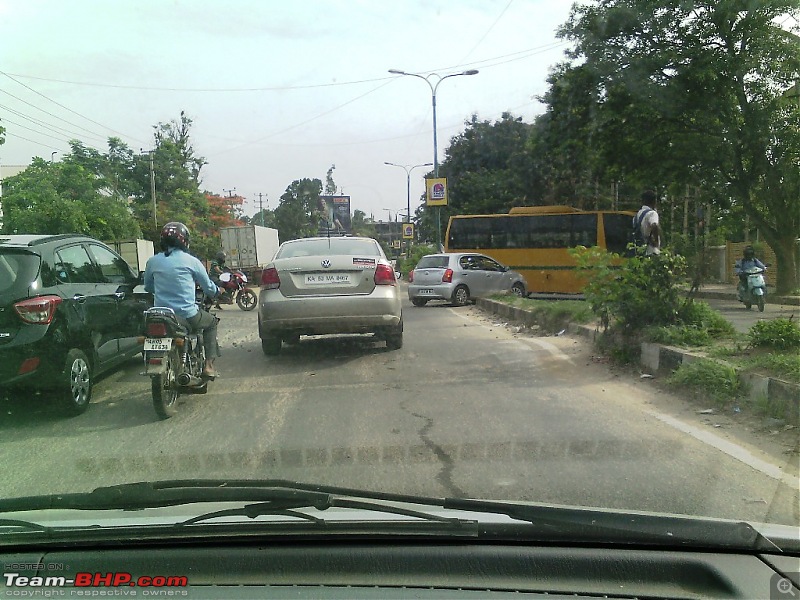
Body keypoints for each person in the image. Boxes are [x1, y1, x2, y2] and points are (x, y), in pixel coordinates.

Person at [144, 222, 221, 378]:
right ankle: (209, 366)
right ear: (185, 240)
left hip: (161, 315)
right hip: (186, 314)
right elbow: (208, 288)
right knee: (211, 323)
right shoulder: (192, 261)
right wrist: (217, 291)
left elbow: (148, 287)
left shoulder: (152, 261)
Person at [633, 190, 661, 256]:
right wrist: (656, 242)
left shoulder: (637, 215)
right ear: (654, 201)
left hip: (639, 250)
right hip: (651, 251)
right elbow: (654, 225)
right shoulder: (652, 213)